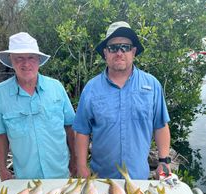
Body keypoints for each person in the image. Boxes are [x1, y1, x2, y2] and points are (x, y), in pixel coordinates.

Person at [73, 21, 171, 179]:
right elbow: (82, 131)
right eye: (113, 48)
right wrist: (82, 166)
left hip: (138, 178)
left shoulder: (152, 85)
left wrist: (164, 161)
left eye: (125, 47)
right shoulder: (91, 88)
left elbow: (160, 125)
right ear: (105, 53)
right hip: (101, 180)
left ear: (133, 52)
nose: (119, 52)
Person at [0, 32, 76, 180]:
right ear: (11, 60)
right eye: (19, 58)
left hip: (60, 176)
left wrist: (75, 161)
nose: (26, 63)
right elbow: (0, 135)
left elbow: (70, 127)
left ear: (38, 60)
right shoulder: (0, 93)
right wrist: (2, 168)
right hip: (25, 180)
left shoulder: (56, 87)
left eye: (31, 57)